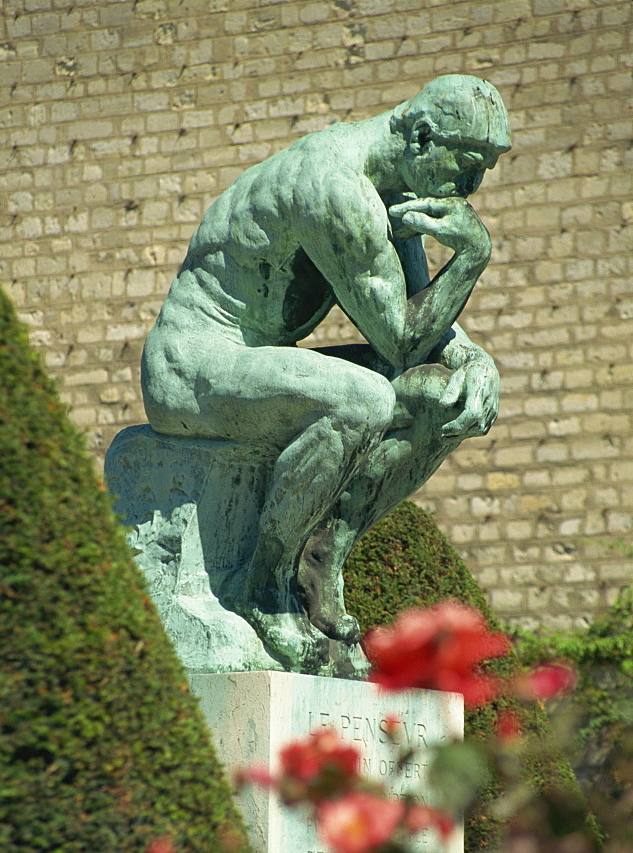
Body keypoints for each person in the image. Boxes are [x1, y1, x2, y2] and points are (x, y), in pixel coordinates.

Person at [141, 74, 511, 670]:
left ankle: (319, 564)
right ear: (421, 137)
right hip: (192, 366)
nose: (471, 187)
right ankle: (260, 586)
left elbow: (418, 319)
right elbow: (401, 338)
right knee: (360, 398)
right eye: (466, 164)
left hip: (257, 362)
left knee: (443, 396)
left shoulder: (391, 190)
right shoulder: (336, 185)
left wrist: (471, 358)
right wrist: (473, 255)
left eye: (484, 171)